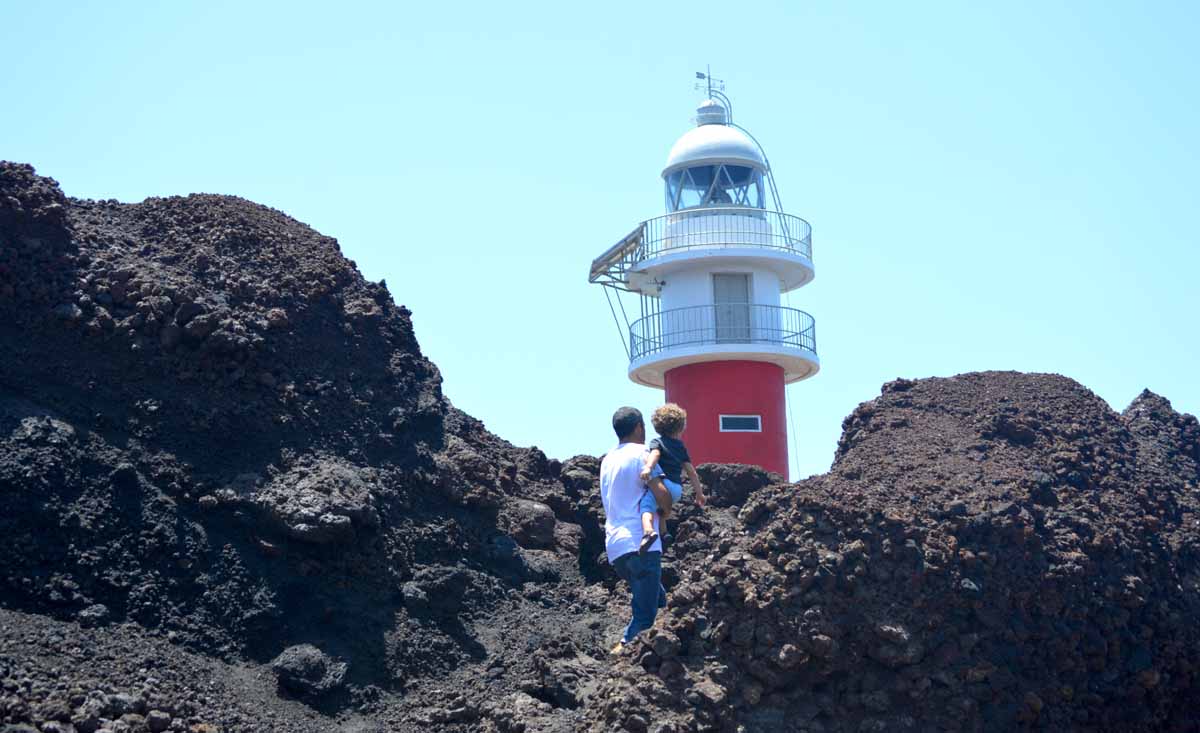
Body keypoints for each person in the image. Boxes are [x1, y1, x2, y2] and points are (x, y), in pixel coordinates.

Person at [600, 406, 674, 653]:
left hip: (616, 548)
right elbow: (661, 494)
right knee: (644, 617)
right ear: (639, 428)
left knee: (659, 602)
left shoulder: (608, 460)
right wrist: (667, 508)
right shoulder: (643, 453)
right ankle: (620, 656)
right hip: (641, 544)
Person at [637, 403, 706, 554]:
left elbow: (655, 455)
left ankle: (648, 531)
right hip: (676, 489)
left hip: (663, 484)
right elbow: (691, 472)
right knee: (661, 509)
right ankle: (664, 533)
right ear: (681, 427)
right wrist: (699, 493)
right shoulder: (681, 447)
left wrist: (648, 467)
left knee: (646, 506)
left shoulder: (657, 442)